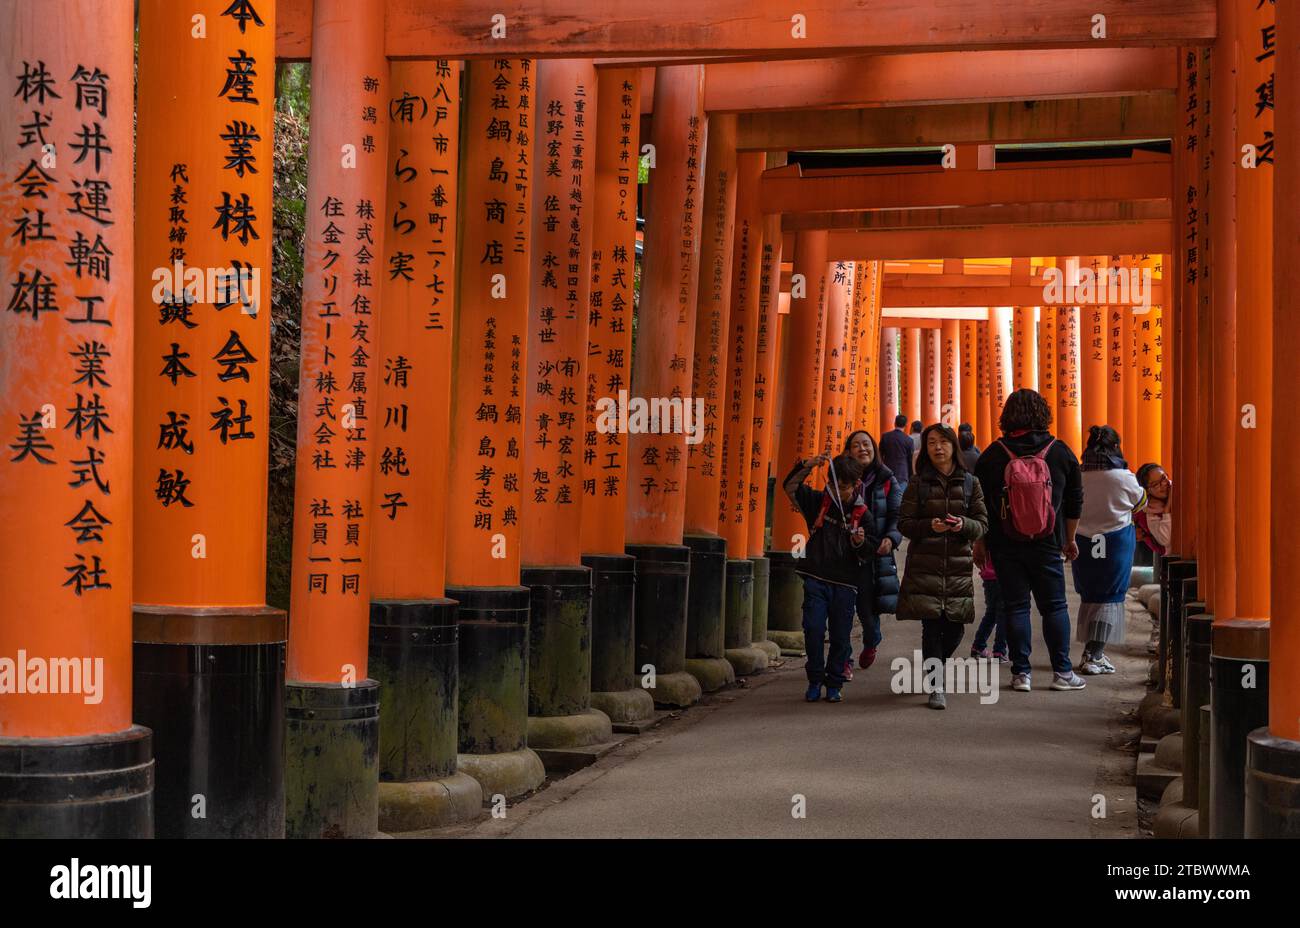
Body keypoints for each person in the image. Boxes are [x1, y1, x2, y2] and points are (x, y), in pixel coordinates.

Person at [973, 389, 1087, 693]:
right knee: (1054, 606)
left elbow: (978, 504)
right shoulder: (1060, 452)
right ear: (1043, 414)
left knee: (1016, 607)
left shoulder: (993, 454)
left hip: (1005, 544)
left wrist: (981, 542)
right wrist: (1070, 539)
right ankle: (1062, 672)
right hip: (1048, 543)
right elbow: (1075, 501)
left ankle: (1021, 673)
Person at [897, 424, 988, 709]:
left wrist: (963, 525)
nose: (938, 447)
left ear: (953, 447)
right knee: (932, 625)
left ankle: (933, 667)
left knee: (955, 629)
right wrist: (929, 526)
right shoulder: (918, 483)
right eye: (932, 443)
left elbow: (982, 524)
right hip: (925, 565)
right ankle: (937, 686)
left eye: (943, 442)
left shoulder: (971, 483)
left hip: (958, 567)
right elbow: (904, 523)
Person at [782, 452, 876, 703]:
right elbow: (789, 486)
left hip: (846, 583)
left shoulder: (863, 515)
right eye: (832, 484)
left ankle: (834, 682)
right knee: (812, 629)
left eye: (842, 487)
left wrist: (860, 542)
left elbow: (870, 551)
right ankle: (814, 679)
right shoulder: (817, 503)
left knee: (840, 636)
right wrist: (806, 465)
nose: (835, 490)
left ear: (856, 485)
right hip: (815, 576)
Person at [1073, 426, 1146, 675]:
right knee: (1109, 597)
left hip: (1083, 540)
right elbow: (1140, 502)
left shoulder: (1079, 475)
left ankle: (1089, 653)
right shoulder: (1122, 476)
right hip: (1114, 541)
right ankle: (1095, 655)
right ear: (1116, 447)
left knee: (1091, 595)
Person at [842, 429, 903, 676]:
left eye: (866, 444)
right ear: (848, 452)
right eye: (856, 445)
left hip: (872, 555)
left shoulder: (887, 479)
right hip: (844, 554)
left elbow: (897, 515)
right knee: (842, 610)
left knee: (867, 611)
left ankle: (871, 641)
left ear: (875, 449)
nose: (862, 449)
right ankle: (843, 660)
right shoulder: (840, 480)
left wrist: (891, 538)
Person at [970, 559, 1008, 663]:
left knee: (991, 614)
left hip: (989, 577)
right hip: (1005, 575)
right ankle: (999, 651)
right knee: (1003, 616)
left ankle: (978, 646)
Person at [1133, 463, 1171, 562]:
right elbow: (1166, 539)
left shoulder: (1179, 489)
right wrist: (1167, 509)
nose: (1163, 483)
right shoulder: (1149, 513)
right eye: (1155, 484)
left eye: (1164, 478)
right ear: (1147, 491)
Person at [879, 414, 914, 490]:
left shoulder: (885, 436)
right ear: (906, 425)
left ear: (895, 423)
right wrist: (911, 475)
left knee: (886, 497)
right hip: (902, 474)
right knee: (900, 498)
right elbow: (910, 459)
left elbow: (880, 454)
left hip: (887, 472)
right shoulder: (908, 440)